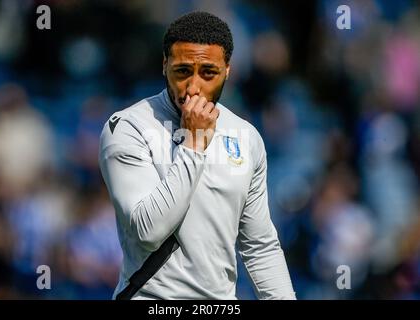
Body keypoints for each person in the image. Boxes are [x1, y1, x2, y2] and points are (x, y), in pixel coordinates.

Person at [99, 11, 296, 300]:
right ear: (164, 65)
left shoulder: (246, 136)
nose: (193, 88)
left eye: (208, 73)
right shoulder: (128, 128)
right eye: (182, 71)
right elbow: (147, 231)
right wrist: (194, 143)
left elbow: (259, 245)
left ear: (227, 70)